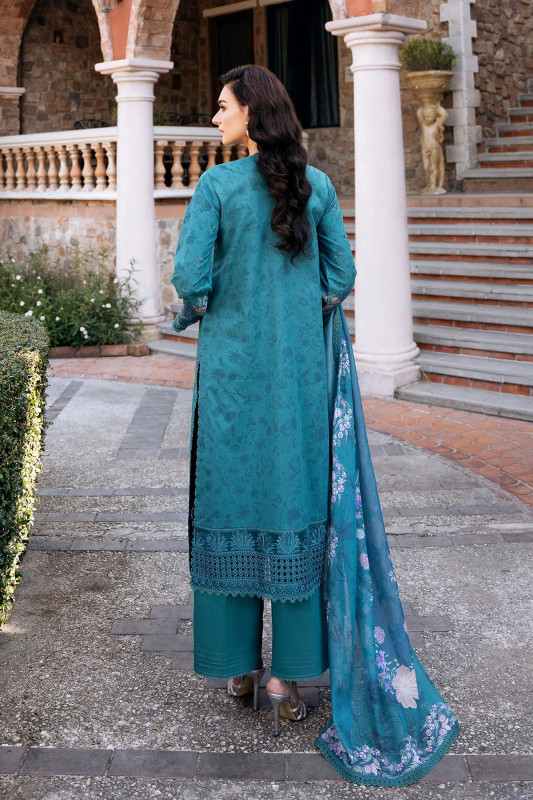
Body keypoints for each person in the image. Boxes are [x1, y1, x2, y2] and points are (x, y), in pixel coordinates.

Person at [171, 64, 460, 786]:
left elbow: (191, 280)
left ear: (251, 114)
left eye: (222, 107)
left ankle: (238, 667)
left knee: (232, 502)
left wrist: (205, 309)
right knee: (295, 504)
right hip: (302, 379)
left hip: (233, 379)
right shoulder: (317, 185)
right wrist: (301, 314)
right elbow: (340, 276)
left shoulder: (215, 188)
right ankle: (287, 679)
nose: (215, 118)